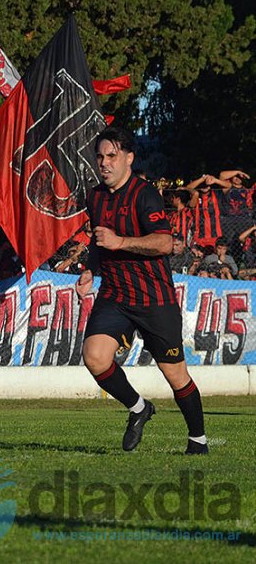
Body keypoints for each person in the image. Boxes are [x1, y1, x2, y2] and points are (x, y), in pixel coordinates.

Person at [75, 127, 206, 455]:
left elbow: (164, 242)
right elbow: (99, 239)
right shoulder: (95, 196)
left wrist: (120, 242)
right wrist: (90, 269)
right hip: (115, 294)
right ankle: (139, 408)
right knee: (94, 356)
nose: (104, 163)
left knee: (175, 375)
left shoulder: (145, 194)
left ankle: (198, 441)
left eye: (112, 156)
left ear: (129, 158)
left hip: (154, 297)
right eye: (100, 156)